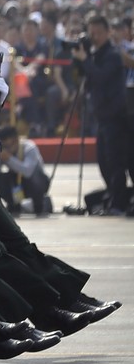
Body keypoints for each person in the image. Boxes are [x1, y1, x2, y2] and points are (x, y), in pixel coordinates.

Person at [72, 14, 129, 215]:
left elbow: (100, 77)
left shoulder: (113, 54)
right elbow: (85, 78)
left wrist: (86, 60)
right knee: (104, 161)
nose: (94, 37)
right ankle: (113, 198)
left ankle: (119, 202)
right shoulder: (94, 55)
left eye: (98, 33)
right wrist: (80, 61)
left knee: (115, 162)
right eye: (91, 33)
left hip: (115, 117)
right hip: (102, 118)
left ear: (107, 32)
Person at [0, 126, 51, 216]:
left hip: (34, 182)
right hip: (16, 183)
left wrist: (9, 158)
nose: (7, 148)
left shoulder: (29, 147)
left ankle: (39, 205)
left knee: (36, 177)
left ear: (16, 140)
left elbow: (27, 171)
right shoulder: (2, 152)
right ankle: (14, 204)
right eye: (4, 146)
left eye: (8, 145)